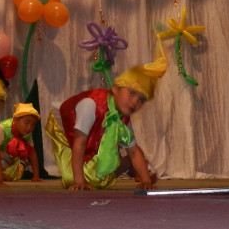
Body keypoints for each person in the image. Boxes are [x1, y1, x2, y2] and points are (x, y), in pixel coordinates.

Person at [46, 41, 167, 191]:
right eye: (131, 93)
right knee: (73, 179)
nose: (135, 102)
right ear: (115, 89)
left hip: (93, 135)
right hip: (68, 130)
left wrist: (146, 181)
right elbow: (79, 144)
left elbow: (133, 151)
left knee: (99, 180)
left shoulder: (122, 118)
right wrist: (79, 182)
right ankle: (121, 165)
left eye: (141, 99)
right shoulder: (90, 105)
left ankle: (126, 163)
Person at [0, 102, 43, 182]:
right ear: (15, 119)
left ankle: (19, 163)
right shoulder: (2, 128)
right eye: (26, 122)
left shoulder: (27, 133)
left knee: (13, 175)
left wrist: (36, 176)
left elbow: (32, 154)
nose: (29, 127)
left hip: (8, 157)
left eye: (33, 125)